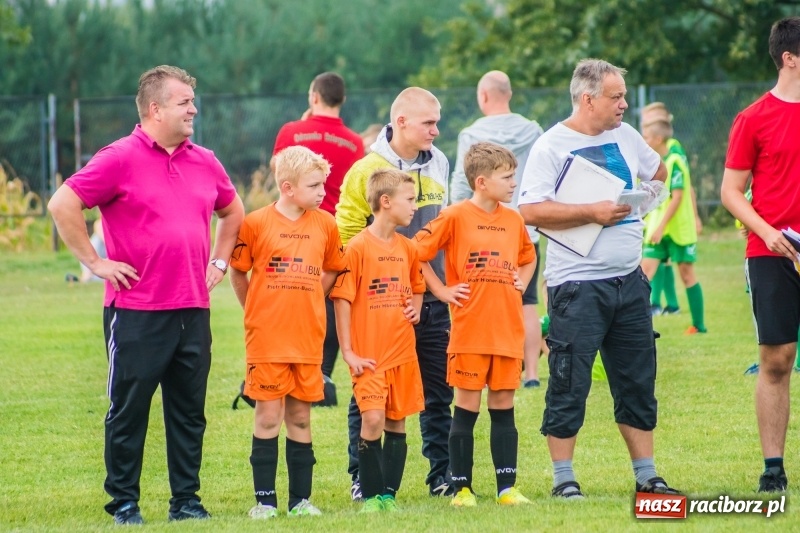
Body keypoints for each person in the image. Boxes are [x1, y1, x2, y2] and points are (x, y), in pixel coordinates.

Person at [47, 65, 244, 525]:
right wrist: (96, 264)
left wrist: (219, 261)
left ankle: (187, 502)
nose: (193, 109)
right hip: (136, 312)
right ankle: (124, 503)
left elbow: (232, 212)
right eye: (184, 102)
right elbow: (63, 203)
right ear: (155, 109)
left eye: (193, 102)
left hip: (193, 308)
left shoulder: (206, 159)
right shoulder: (118, 157)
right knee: (129, 412)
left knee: (189, 414)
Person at [518, 58, 679, 498]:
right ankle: (563, 479)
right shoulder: (551, 146)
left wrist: (646, 195)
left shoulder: (625, 136)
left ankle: (647, 475)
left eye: (623, 95)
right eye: (616, 96)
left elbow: (659, 172)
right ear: (588, 99)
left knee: (637, 380)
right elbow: (531, 211)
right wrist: (591, 212)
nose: (624, 104)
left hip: (629, 281)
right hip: (577, 286)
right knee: (570, 382)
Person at [336, 87, 454, 499]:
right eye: (428, 123)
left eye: (437, 122)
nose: (436, 131)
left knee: (438, 391)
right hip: (381, 306)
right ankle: (361, 477)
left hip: (431, 298)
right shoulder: (365, 169)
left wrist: (428, 288)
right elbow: (346, 233)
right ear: (401, 122)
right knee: (369, 395)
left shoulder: (439, 161)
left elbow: (442, 226)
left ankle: (442, 475)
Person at [229, 146, 347, 519]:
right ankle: (264, 502)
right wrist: (255, 309)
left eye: (322, 184)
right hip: (267, 338)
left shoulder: (325, 224)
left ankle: (300, 501)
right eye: (314, 185)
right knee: (268, 416)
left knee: (300, 417)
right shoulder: (256, 223)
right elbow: (238, 271)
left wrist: (314, 296)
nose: (321, 192)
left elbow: (332, 268)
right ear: (288, 187)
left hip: (308, 338)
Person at [415, 142, 535, 507]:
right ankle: (462, 488)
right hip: (469, 333)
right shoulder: (454, 216)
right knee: (465, 410)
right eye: (507, 177)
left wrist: (522, 281)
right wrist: (441, 289)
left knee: (503, 408)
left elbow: (528, 258)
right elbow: (416, 252)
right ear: (481, 182)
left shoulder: (513, 219)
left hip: (507, 332)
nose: (514, 182)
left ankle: (506, 489)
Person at [720, 16, 800, 493]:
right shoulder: (753, 118)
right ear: (789, 57)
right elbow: (732, 191)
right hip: (771, 252)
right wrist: (769, 234)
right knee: (777, 358)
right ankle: (774, 466)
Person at [331, 169, 426, 513]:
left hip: (402, 352)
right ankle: (370, 495)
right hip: (368, 356)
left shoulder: (408, 247)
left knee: (397, 421)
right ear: (385, 202)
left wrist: (414, 310)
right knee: (371, 419)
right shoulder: (356, 248)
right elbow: (341, 299)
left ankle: (388, 495)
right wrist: (348, 351)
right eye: (410, 199)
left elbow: (417, 286)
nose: (415, 207)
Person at [450, 70, 546, 389]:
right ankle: (531, 372)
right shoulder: (533, 130)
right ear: (509, 95)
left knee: (483, 301)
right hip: (525, 226)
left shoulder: (471, 133)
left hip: (482, 233)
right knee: (527, 302)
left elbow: (460, 186)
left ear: (484, 97)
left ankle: (486, 369)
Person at [272, 72, 364, 382]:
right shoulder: (354, 142)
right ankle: (321, 373)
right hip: (334, 228)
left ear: (314, 97)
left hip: (292, 228)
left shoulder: (291, 131)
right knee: (331, 300)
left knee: (288, 295)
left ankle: (287, 362)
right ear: (342, 101)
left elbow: (279, 173)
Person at [640, 119, 706, 334]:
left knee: (686, 273)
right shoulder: (654, 162)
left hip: (676, 230)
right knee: (643, 272)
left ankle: (699, 325)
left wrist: (660, 227)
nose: (644, 140)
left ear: (658, 139)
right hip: (658, 229)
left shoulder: (675, 161)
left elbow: (677, 198)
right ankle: (638, 325)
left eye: (647, 137)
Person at [65, 218, 106, 283]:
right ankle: (88, 274)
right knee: (96, 239)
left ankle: (87, 277)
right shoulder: (99, 223)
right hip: (96, 260)